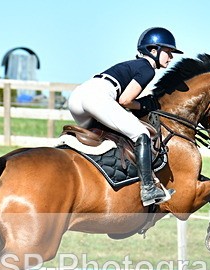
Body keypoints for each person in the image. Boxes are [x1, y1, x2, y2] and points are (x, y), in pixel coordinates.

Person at [67, 27, 182, 206]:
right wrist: (145, 105)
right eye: (168, 51)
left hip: (77, 97)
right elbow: (125, 100)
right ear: (153, 50)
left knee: (103, 136)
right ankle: (148, 189)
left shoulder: (132, 65)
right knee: (141, 134)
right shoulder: (147, 69)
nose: (171, 57)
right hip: (97, 98)